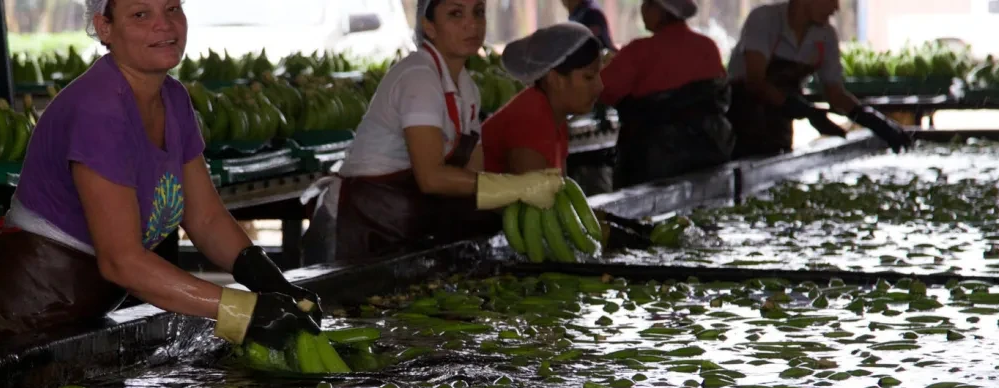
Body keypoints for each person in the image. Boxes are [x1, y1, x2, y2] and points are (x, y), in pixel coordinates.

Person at [0, 0, 321, 349]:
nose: (165, 24)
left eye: (173, 9)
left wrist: (271, 281)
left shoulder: (174, 99)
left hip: (81, 311)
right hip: (18, 318)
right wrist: (244, 313)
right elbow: (122, 262)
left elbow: (205, 218)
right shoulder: (98, 110)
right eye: (141, 14)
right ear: (104, 28)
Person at [301, 0, 565, 264]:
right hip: (354, 231)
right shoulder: (418, 76)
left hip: (401, 231)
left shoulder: (468, 90)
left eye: (479, 12)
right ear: (429, 26)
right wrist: (519, 186)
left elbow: (474, 180)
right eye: (455, 13)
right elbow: (431, 178)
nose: (471, 24)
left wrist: (528, 211)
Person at [726, 0, 912, 158]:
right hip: (741, 121)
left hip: (779, 125)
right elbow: (755, 80)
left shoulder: (825, 37)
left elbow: (835, 94)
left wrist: (876, 122)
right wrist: (806, 111)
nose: (836, 8)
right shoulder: (765, 20)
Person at [598, 0, 733, 187]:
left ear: (659, 10)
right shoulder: (708, 47)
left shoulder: (640, 51)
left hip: (652, 167)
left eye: (646, 4)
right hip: (710, 160)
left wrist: (606, 66)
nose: (642, 10)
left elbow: (601, 89)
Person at [481, 23, 603, 175]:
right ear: (555, 79)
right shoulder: (530, 121)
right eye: (589, 77)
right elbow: (532, 193)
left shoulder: (555, 117)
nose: (600, 87)